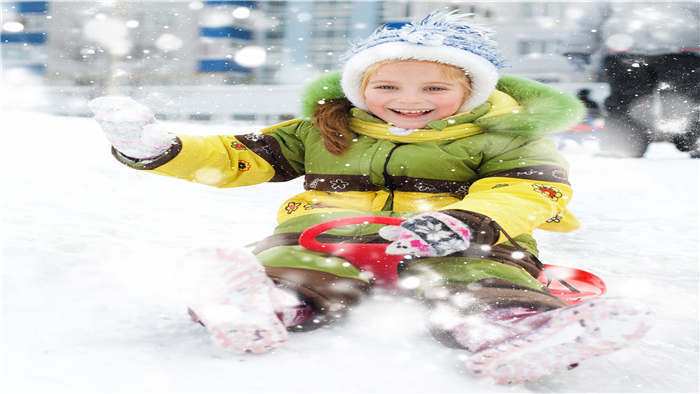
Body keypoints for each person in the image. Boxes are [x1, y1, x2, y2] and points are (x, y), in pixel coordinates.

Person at [90, 11, 651, 384]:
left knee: (474, 280)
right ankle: (263, 304)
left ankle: (516, 329)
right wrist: (159, 149)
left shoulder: (508, 134)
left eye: (435, 88)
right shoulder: (320, 129)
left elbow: (532, 191)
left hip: (455, 241)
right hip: (325, 236)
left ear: (473, 90)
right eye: (388, 86)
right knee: (291, 262)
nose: (410, 100)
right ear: (361, 87)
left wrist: (468, 221)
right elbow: (238, 155)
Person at [563, 2, 700, 158]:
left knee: (684, 100)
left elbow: (590, 19)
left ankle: (623, 144)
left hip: (652, 49)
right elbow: (592, 17)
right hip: (662, 50)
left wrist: (578, 47)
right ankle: (623, 144)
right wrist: (577, 47)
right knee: (629, 100)